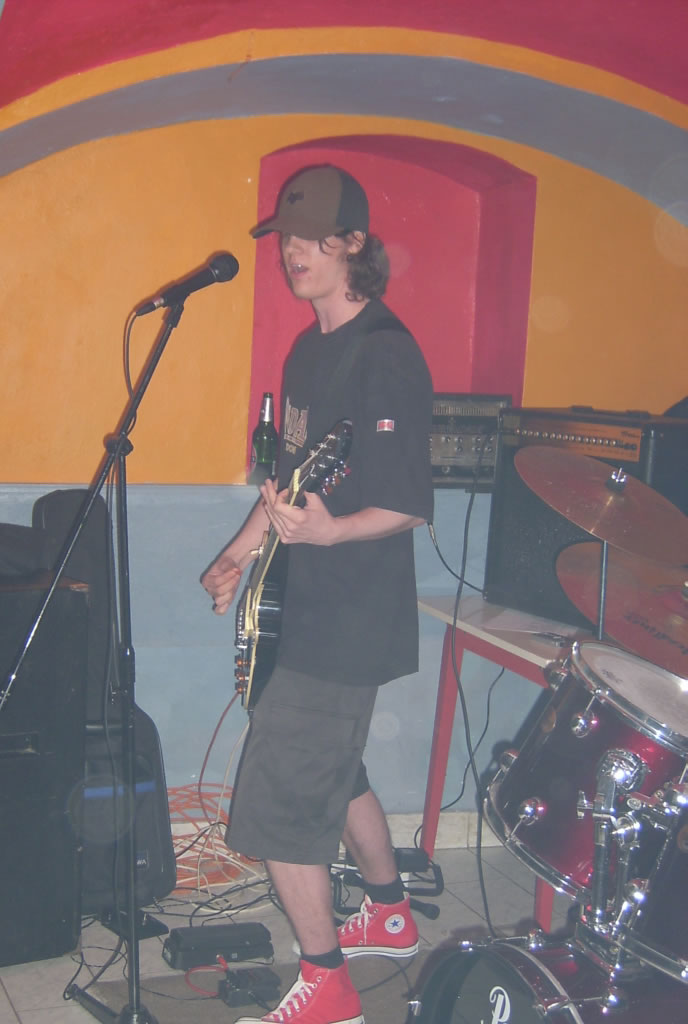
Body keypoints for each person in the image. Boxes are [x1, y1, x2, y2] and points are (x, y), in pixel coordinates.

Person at [202, 164, 435, 1024]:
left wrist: (333, 533)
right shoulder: (308, 350)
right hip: (301, 607)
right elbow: (288, 487)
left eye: (310, 239)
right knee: (335, 770)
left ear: (352, 244)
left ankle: (327, 983)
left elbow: (409, 502)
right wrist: (236, 555)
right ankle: (390, 912)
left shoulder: (386, 353)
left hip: (349, 620)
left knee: (278, 797)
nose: (292, 253)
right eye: (285, 240)